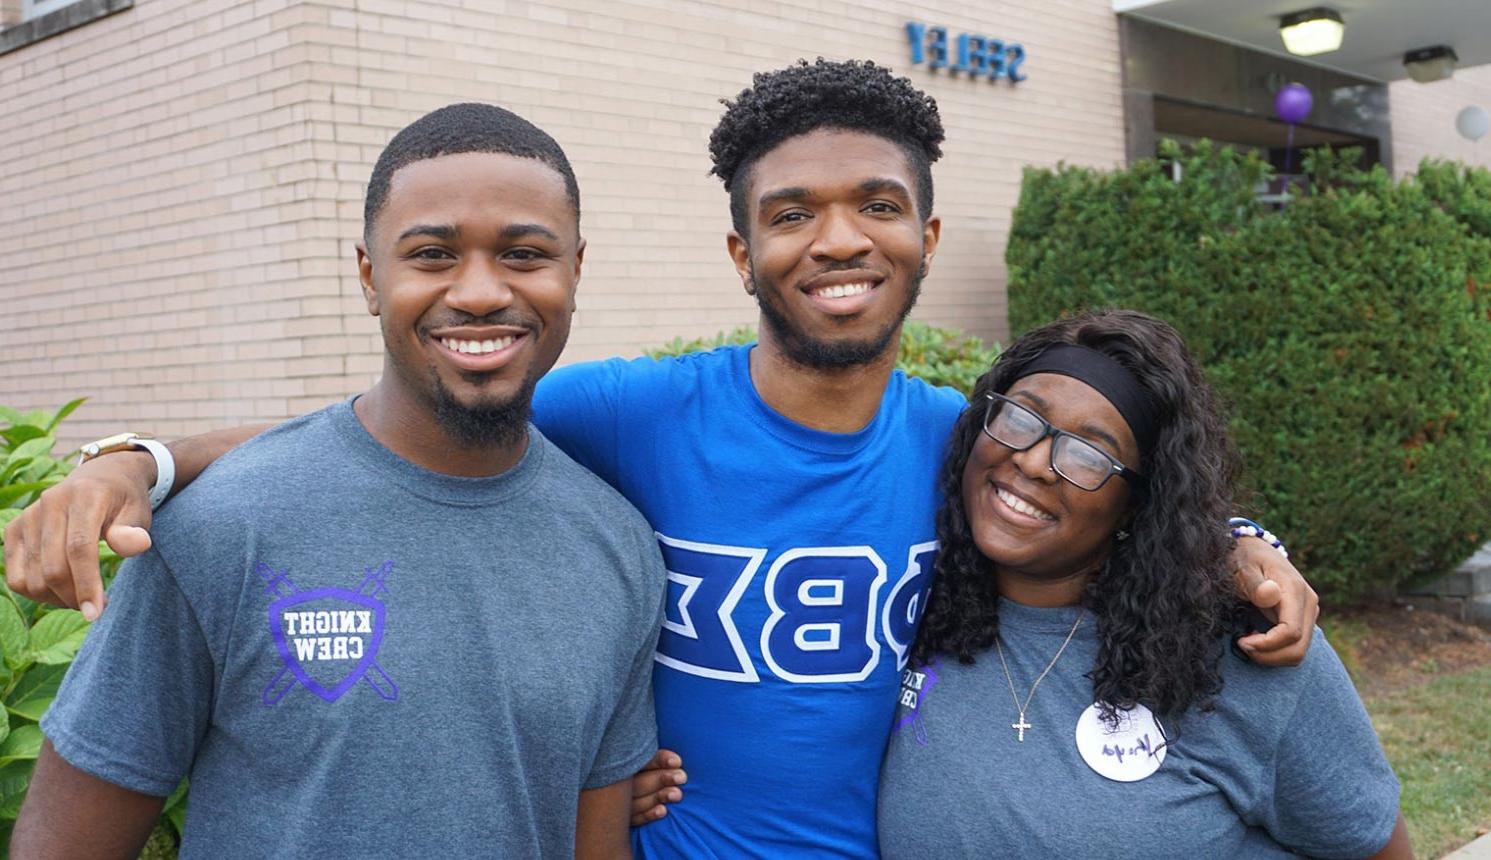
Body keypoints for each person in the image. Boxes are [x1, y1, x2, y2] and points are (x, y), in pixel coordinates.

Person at [4, 62, 1317, 858]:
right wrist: (143, 461)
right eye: (787, 214)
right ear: (739, 254)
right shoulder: (630, 415)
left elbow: (1092, 488)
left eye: (873, 206)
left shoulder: (959, 445)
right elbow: (390, 431)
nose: (835, 241)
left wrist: (1235, 546)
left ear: (924, 231)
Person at [10, 103, 666, 859]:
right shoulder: (222, 526)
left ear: (575, 270)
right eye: (430, 255)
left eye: (523, 254)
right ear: (369, 275)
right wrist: (125, 458)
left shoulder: (616, 543)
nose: (481, 291)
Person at [878, 310, 1410, 858]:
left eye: (1089, 455)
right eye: (1019, 418)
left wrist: (1237, 545)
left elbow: (1374, 846)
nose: (1034, 461)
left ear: (1140, 502)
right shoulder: (910, 597)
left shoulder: (1245, 648)